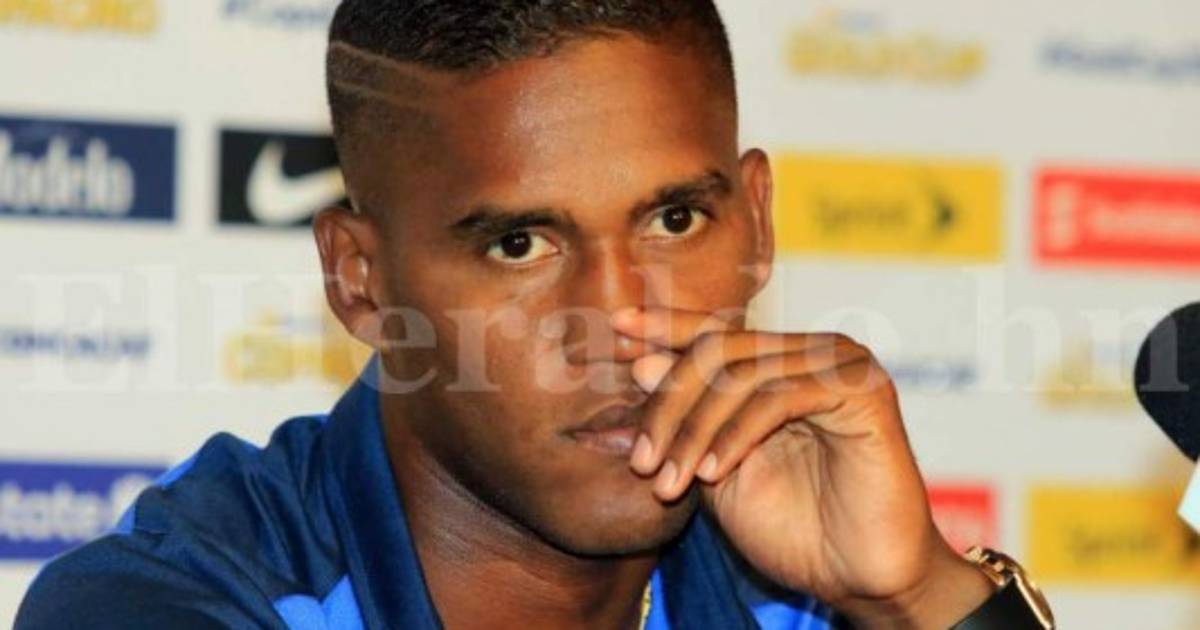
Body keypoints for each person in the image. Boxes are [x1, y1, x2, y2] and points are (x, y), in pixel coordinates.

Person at [16, 1, 1054, 628]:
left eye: (675, 220)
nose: (619, 321)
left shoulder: (810, 590)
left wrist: (914, 598)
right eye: (519, 244)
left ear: (756, 223)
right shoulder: (176, 606)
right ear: (362, 281)